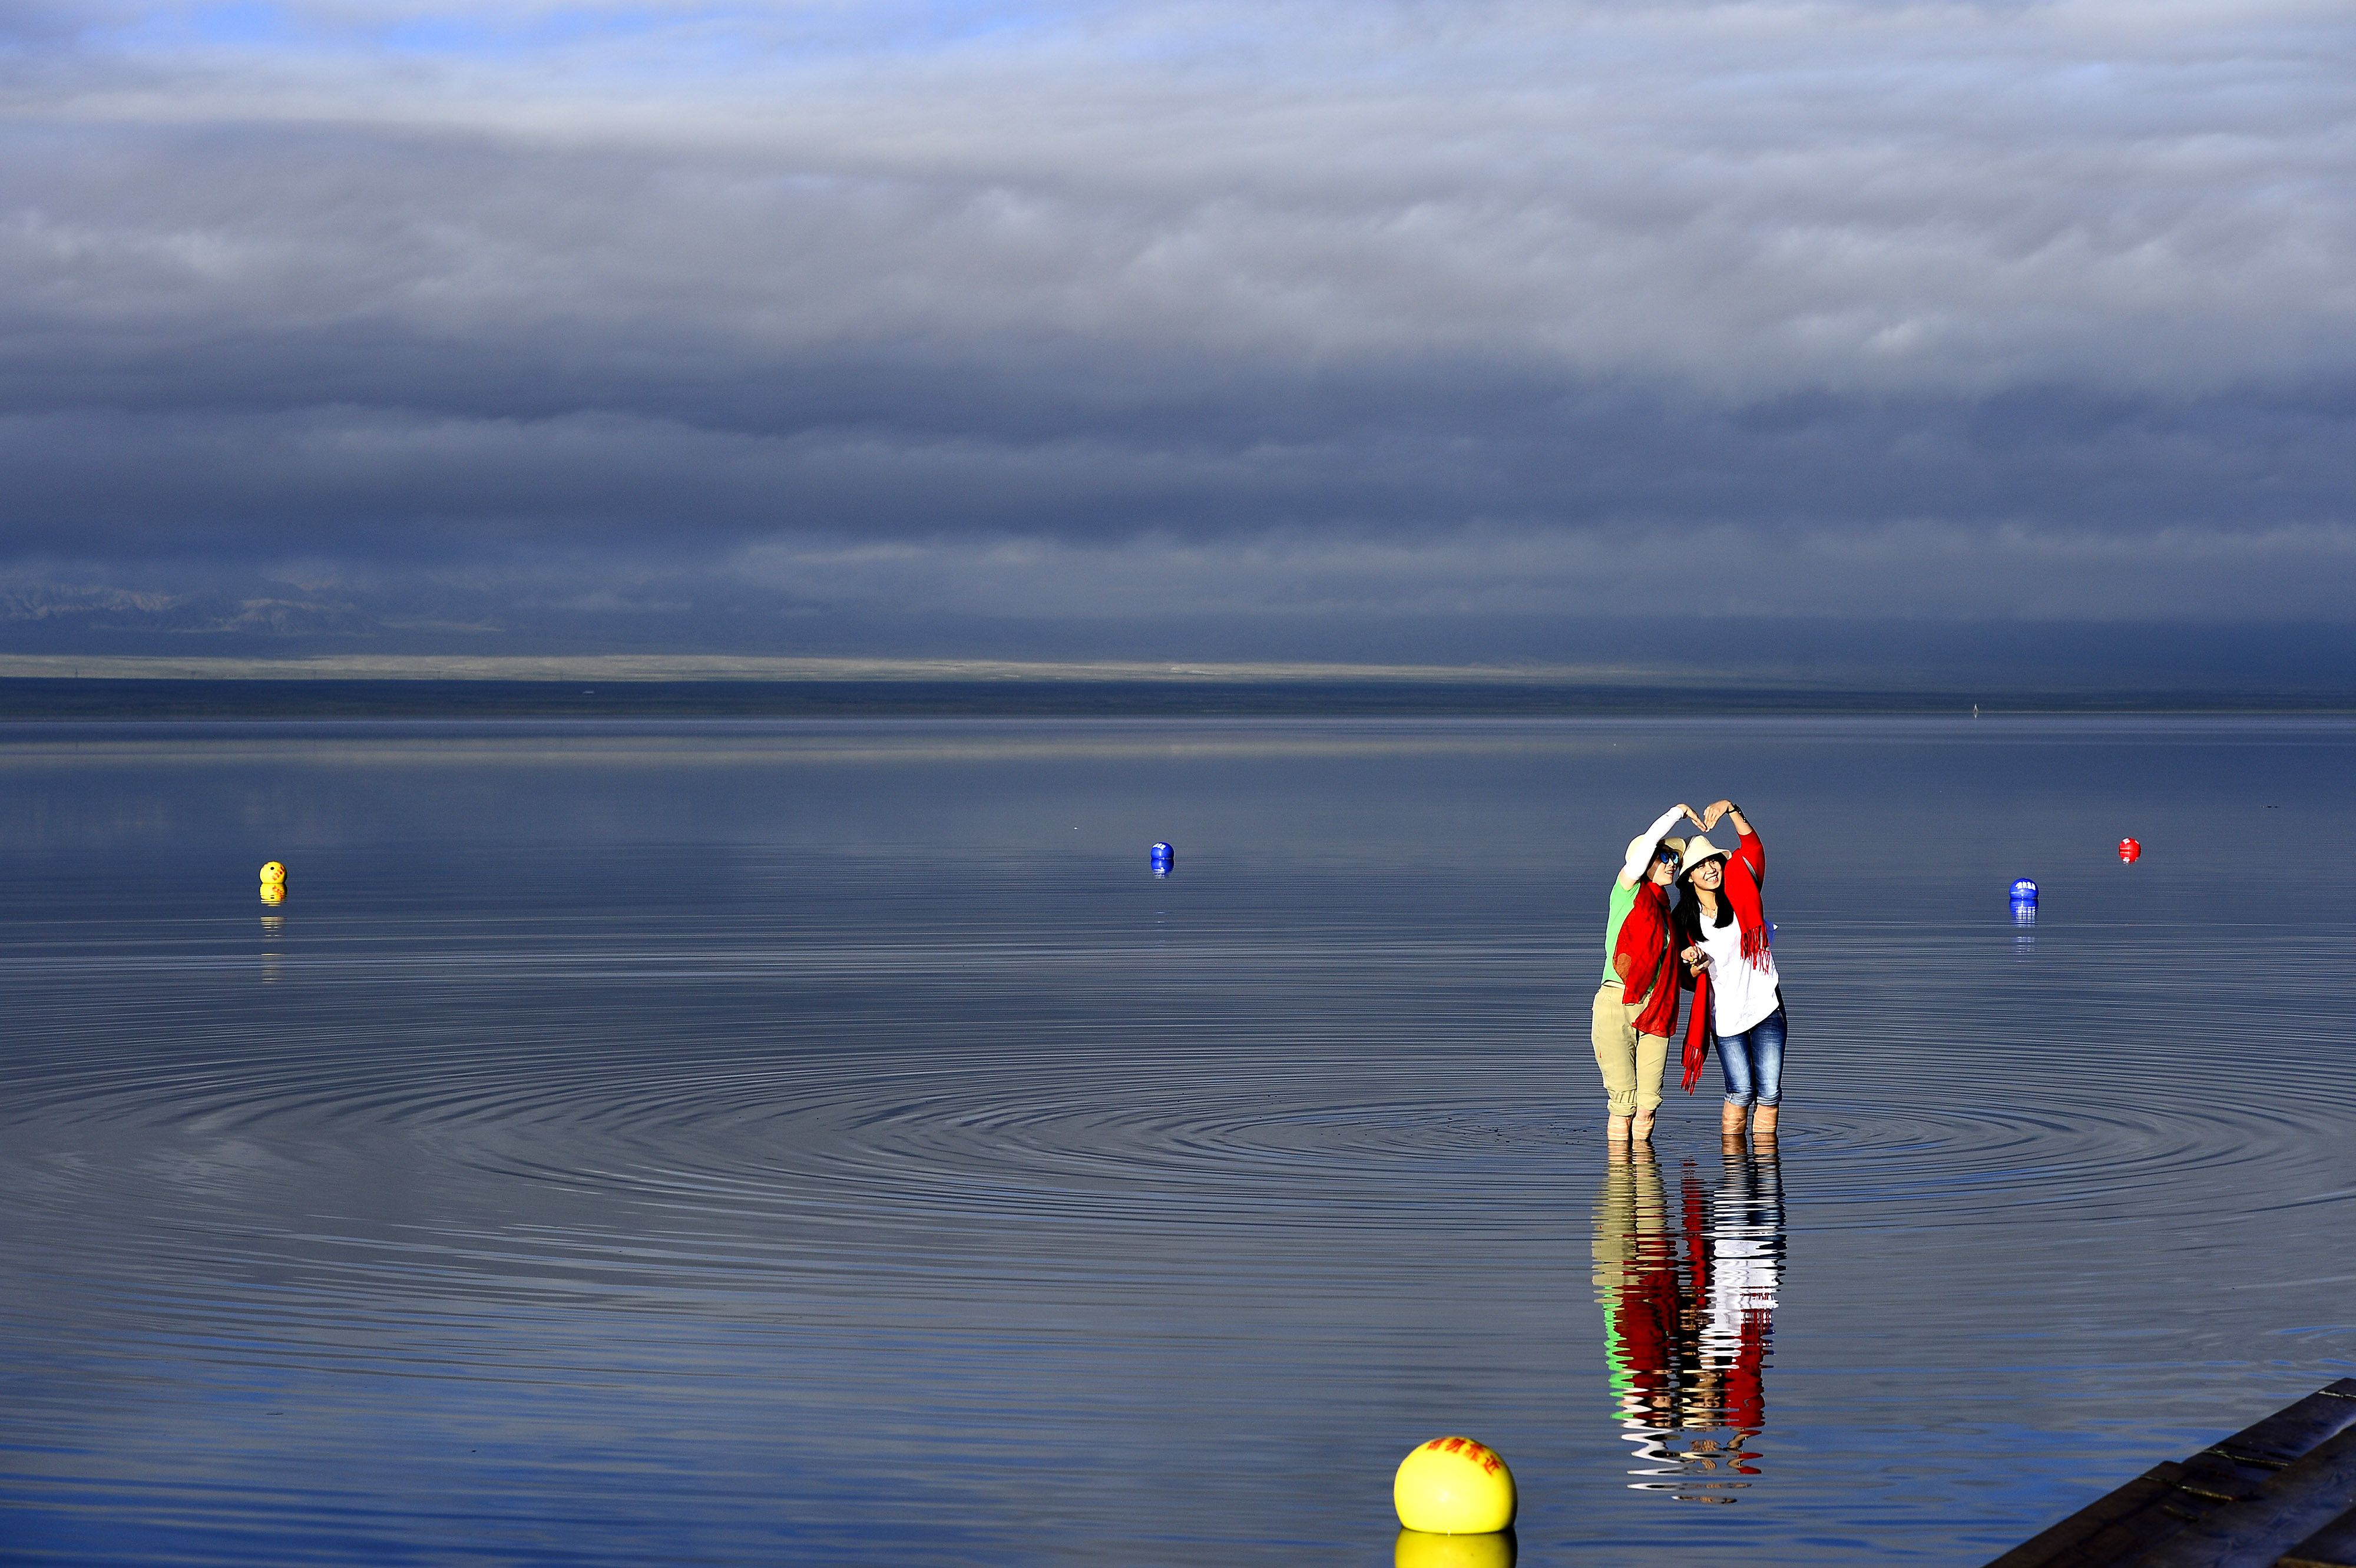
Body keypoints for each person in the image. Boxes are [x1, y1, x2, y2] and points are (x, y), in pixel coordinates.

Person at [1674, 800, 1785, 1142]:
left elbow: (1753, 848)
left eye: (1713, 861)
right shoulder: (1683, 921)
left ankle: (1767, 1179)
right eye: (1700, 865)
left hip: (1766, 1007)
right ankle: (1735, 1180)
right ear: (1689, 877)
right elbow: (1684, 980)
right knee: (1740, 1091)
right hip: (1724, 1017)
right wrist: (1695, 966)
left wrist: (1731, 808)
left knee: (1768, 1094)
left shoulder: (1741, 890)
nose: (1711, 869)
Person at [1594, 805, 1692, 1144]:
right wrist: (1676, 812)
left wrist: (1691, 959)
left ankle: (1648, 1194)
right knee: (1623, 1106)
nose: (1672, 864)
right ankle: (1622, 1188)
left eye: (1674, 860)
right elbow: (1648, 845)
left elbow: (1665, 962)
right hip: (1616, 1001)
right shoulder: (1626, 891)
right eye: (1665, 857)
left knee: (1648, 1107)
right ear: (1646, 860)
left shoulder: (1665, 911)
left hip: (1657, 1008)